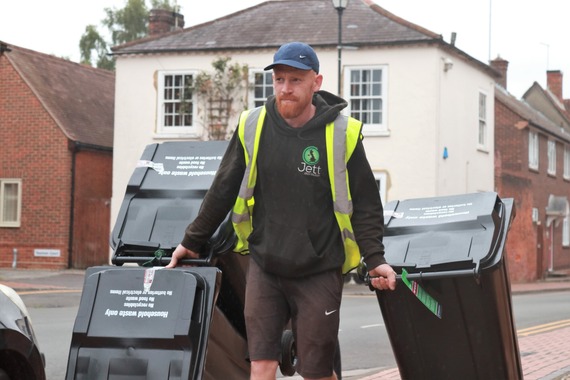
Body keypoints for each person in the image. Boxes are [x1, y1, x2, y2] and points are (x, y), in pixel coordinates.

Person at [166, 41, 397, 380]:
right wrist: (192, 240)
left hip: (319, 270)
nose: (285, 89)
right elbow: (223, 188)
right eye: (279, 80)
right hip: (265, 266)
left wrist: (375, 258)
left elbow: (365, 204)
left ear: (316, 82)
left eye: (295, 80)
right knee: (261, 364)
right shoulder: (253, 125)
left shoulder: (342, 134)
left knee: (315, 372)